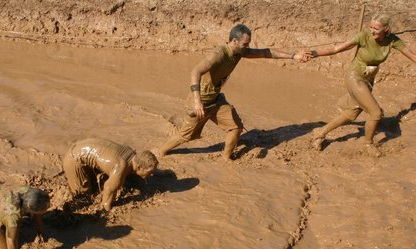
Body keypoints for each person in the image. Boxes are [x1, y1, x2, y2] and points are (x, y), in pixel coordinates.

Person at [153, 24, 312, 160]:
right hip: (200, 102)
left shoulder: (240, 52)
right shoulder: (218, 54)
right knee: (186, 136)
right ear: (234, 41)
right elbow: (195, 72)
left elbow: (265, 52)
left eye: (248, 44)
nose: (247, 47)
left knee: (236, 128)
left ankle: (226, 158)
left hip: (216, 100)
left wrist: (293, 56)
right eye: (245, 44)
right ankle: (159, 152)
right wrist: (197, 102)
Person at [310, 13, 416, 152]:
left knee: (352, 113)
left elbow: (412, 55)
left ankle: (320, 132)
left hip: (368, 80)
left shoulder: (392, 40)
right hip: (354, 77)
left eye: (376, 29)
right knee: (376, 113)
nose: (372, 31)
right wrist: (315, 53)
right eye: (370, 27)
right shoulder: (363, 36)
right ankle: (368, 144)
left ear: (386, 29)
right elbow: (337, 49)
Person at [62, 138, 158, 211]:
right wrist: (106, 208)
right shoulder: (121, 167)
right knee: (84, 196)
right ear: (139, 168)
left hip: (82, 145)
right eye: (150, 172)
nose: (152, 175)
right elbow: (108, 188)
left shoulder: (131, 153)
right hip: (74, 158)